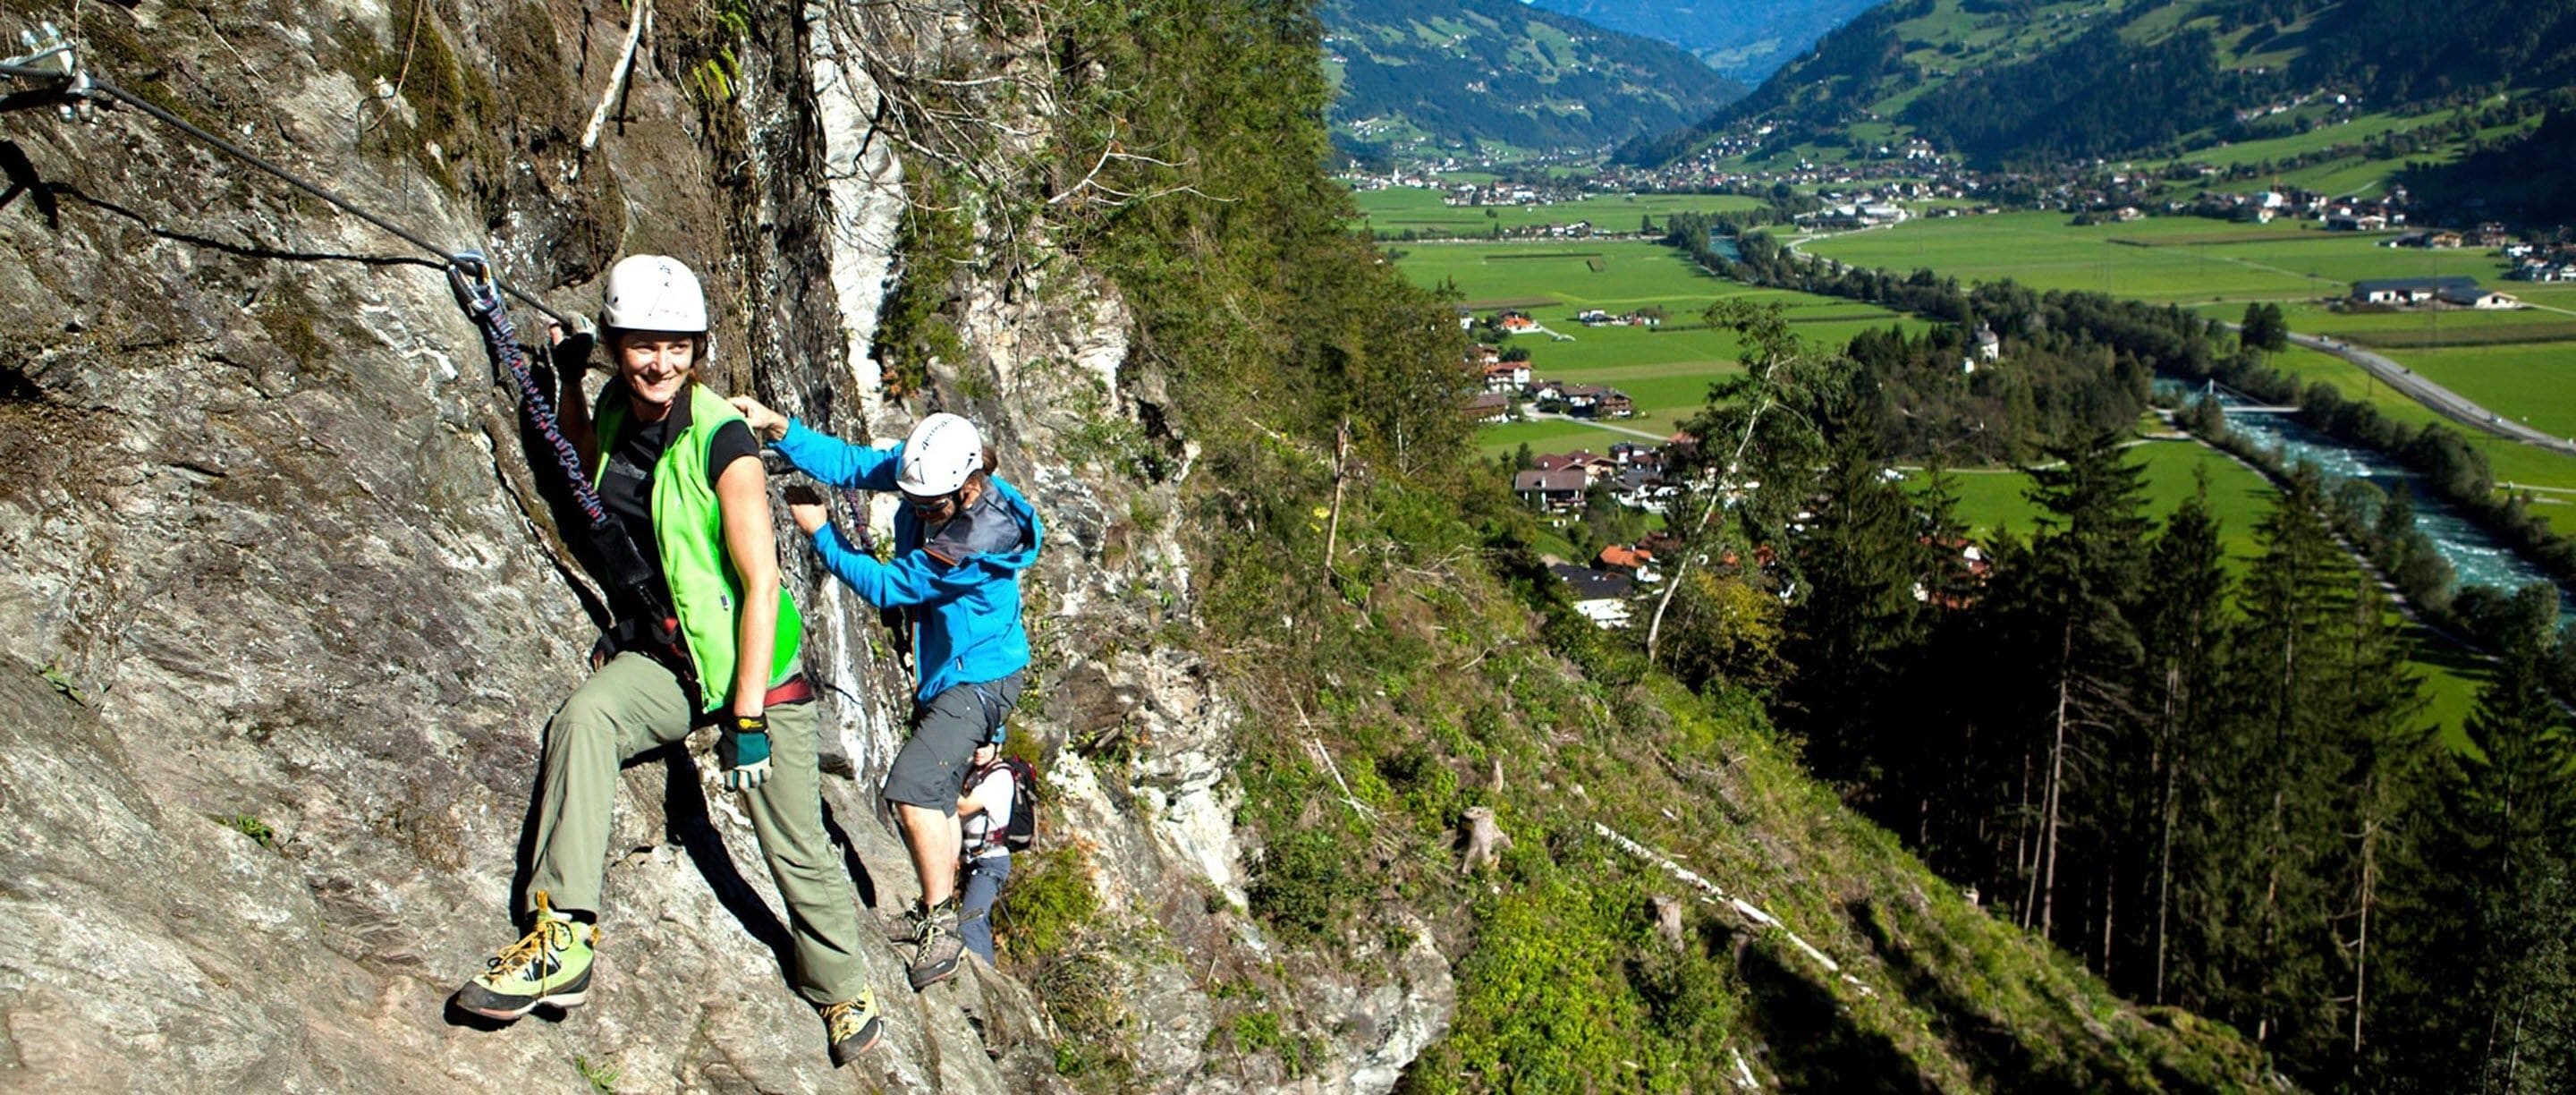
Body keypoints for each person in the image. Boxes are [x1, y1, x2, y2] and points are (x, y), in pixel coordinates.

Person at [451, 255, 883, 1065]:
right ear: (616, 344)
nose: (661, 362)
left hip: (753, 671)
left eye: (678, 346)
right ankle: (563, 936)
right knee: (583, 720)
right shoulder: (617, 399)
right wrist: (569, 381)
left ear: (698, 348)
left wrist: (749, 715)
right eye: (643, 345)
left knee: (789, 837)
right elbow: (584, 465)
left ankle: (842, 983)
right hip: (668, 655)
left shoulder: (725, 442)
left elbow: (761, 587)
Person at [727, 398, 1040, 991]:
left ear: (968, 486)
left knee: (913, 791)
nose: (917, 511)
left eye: (927, 505)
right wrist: (780, 429)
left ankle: (943, 927)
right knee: (939, 798)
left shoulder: (972, 543)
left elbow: (890, 588)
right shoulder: (934, 471)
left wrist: (823, 534)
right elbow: (852, 463)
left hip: (979, 679)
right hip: (965, 674)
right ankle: (935, 911)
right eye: (912, 500)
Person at [954, 737, 1019, 966]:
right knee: (978, 922)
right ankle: (990, 984)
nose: (979, 751)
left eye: (986, 746)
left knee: (969, 923)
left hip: (990, 862)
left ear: (998, 748)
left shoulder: (1000, 777)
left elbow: (963, 807)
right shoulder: (974, 770)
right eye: (977, 744)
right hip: (973, 859)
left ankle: (979, 986)